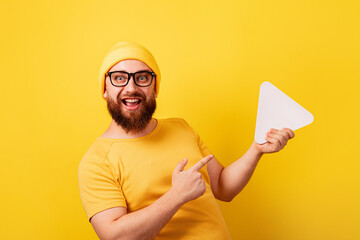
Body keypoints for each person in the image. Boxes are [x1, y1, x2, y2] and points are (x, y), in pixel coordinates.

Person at [78, 41, 295, 240]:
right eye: (119, 78)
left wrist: (256, 149)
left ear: (154, 88)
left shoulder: (180, 127)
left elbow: (222, 186)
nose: (131, 87)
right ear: (105, 89)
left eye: (142, 77)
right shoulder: (96, 162)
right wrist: (177, 195)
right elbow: (116, 237)